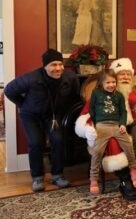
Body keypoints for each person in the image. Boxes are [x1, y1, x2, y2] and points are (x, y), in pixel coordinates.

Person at [75, 58, 136, 200]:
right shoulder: (100, 96)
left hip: (135, 125)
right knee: (114, 140)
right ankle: (125, 180)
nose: (125, 77)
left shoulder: (135, 93)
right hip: (111, 128)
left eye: (128, 74)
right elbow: (85, 116)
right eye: (121, 74)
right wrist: (87, 129)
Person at [4, 48, 80, 192]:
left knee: (58, 140)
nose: (57, 68)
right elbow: (8, 90)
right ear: (45, 66)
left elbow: (74, 96)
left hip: (52, 116)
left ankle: (57, 175)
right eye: (53, 65)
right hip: (30, 115)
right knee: (35, 143)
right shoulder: (31, 78)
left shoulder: (70, 78)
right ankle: (37, 177)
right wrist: (23, 104)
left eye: (60, 64)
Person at [89, 69, 136, 194]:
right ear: (101, 83)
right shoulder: (96, 93)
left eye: (113, 82)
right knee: (97, 151)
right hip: (102, 126)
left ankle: (133, 171)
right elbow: (92, 110)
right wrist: (95, 125)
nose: (111, 85)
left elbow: (123, 111)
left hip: (117, 126)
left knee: (128, 146)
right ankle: (93, 178)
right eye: (108, 82)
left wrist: (122, 123)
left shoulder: (119, 95)